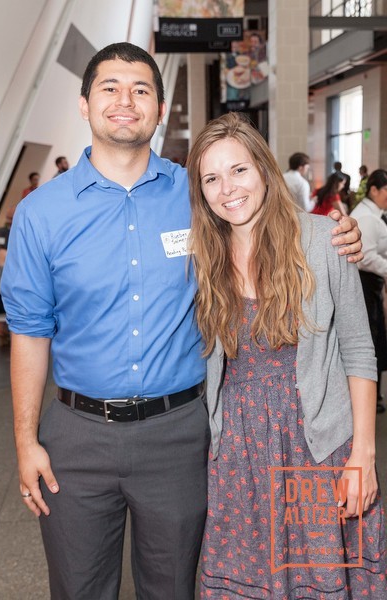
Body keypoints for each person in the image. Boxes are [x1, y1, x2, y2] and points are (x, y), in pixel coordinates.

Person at [0, 42, 363, 600]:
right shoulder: (41, 213)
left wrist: (338, 234)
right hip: (76, 436)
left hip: (179, 435)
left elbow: (262, 217)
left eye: (141, 89)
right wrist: (26, 441)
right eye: (110, 88)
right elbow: (28, 330)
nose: (126, 100)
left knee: (172, 588)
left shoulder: (194, 192)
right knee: (77, 588)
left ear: (160, 109)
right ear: (83, 104)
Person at [186, 112, 386, 599]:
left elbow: (359, 348)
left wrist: (364, 453)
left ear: (264, 169)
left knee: (318, 578)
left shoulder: (322, 239)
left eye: (239, 170)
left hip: (316, 444)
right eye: (211, 178)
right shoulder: (202, 256)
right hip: (237, 451)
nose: (227, 188)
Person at [351, 169, 387, 413]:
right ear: (374, 190)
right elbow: (366, 257)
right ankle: (368, 398)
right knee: (369, 341)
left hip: (372, 283)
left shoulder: (374, 213)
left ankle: (373, 396)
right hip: (364, 283)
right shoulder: (365, 216)